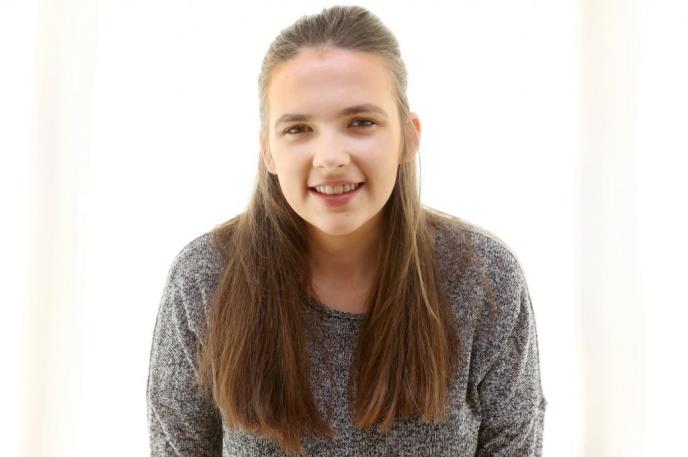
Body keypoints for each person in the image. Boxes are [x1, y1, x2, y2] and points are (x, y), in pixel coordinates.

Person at [146, 5, 547, 456]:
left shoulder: (485, 280)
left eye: (361, 123)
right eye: (298, 128)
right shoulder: (204, 278)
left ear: (408, 137)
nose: (330, 157)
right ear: (268, 152)